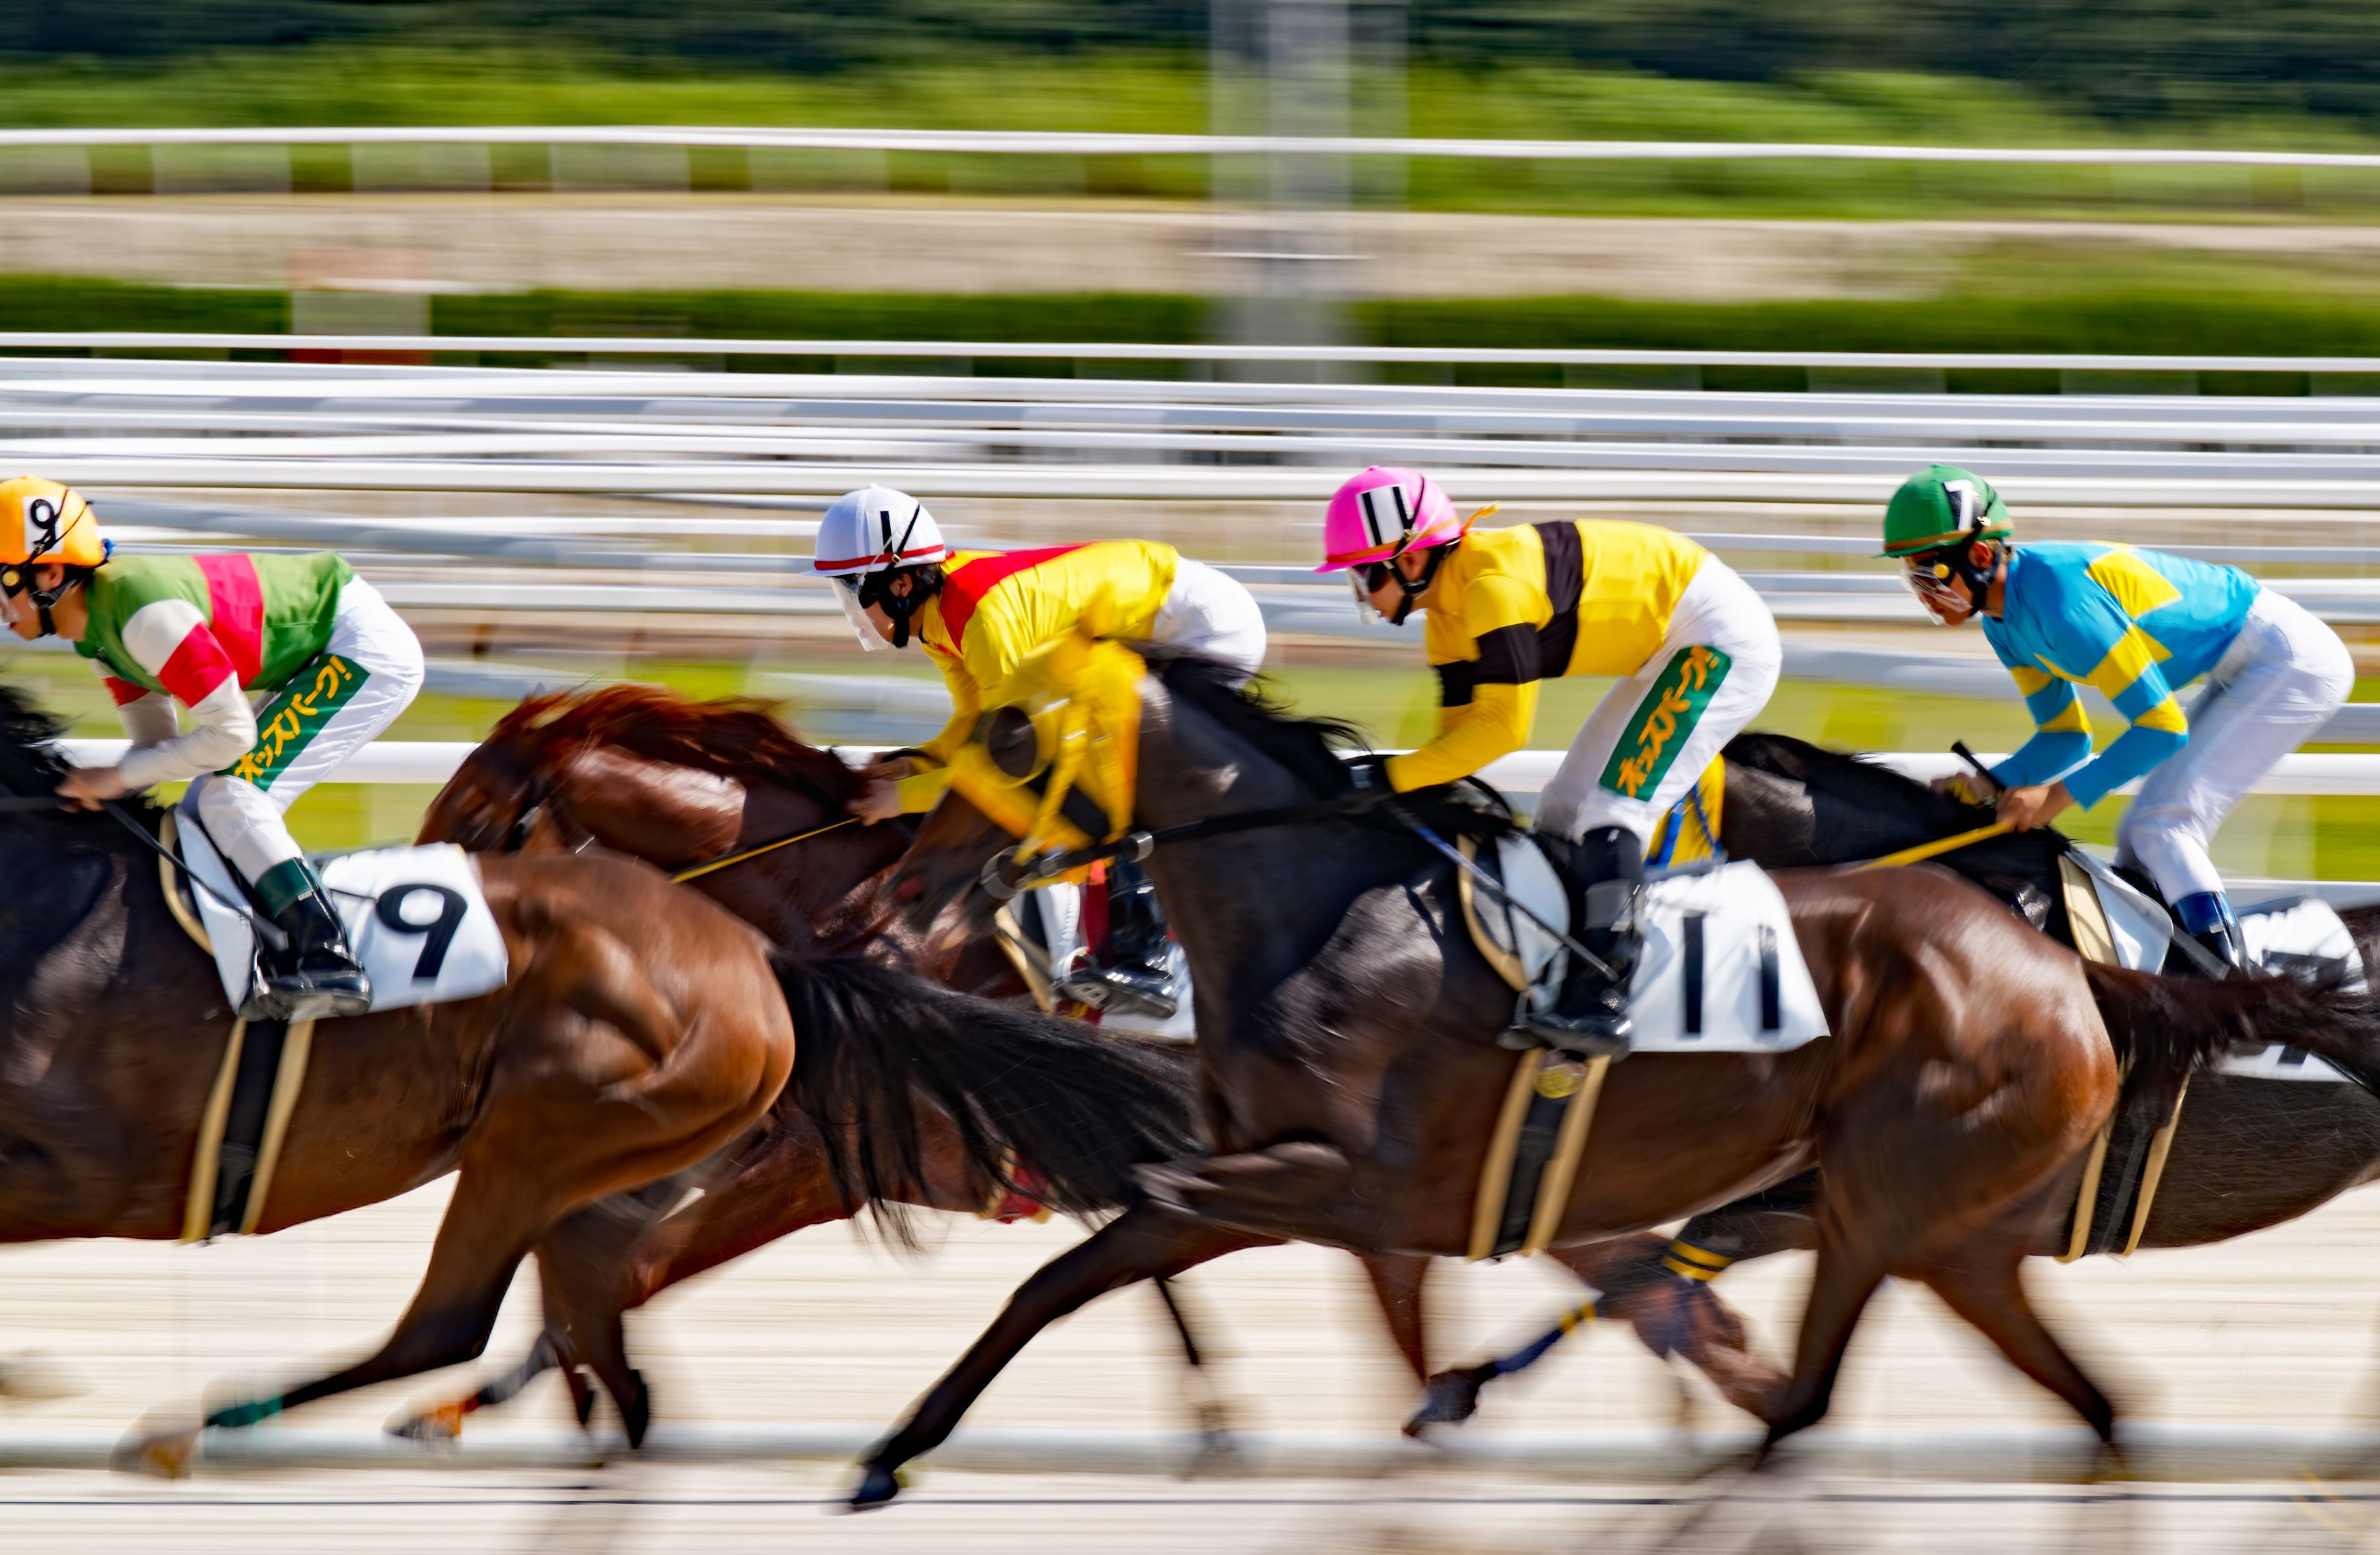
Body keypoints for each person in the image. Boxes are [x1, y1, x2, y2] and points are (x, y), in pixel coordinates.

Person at [1321, 465, 1782, 1059]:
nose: (1361, 592)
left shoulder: (1491, 588)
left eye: (1365, 573)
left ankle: (1604, 995)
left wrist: (1382, 777)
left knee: (1615, 808)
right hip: (1671, 643)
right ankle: (1565, 962)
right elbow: (1452, 749)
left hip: (1720, 636)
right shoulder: (1446, 622)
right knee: (1562, 807)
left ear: (1410, 560)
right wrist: (1390, 783)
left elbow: (1503, 731)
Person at [0, 476, 427, 1019]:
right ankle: (273, 947)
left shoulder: (143, 616)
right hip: (324, 648)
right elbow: (156, 746)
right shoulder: (95, 633)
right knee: (202, 805)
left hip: (361, 647)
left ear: (49, 574)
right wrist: (102, 785)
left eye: (2, 578)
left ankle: (329, 956)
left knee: (233, 796)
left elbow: (230, 737)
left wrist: (114, 778)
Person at [814, 485, 1267, 1019]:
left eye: (852, 590)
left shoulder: (981, 617)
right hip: (1163, 623)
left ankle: (1146, 958)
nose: (850, 609)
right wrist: (916, 763)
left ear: (901, 582)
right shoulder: (938, 619)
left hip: (1204, 626)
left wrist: (901, 798)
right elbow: (973, 728)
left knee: (1104, 773)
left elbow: (1006, 762)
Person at [1885, 463, 2351, 972]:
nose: (1923, 592)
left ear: (1979, 556)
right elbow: (2065, 737)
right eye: (1912, 576)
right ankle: (2179, 977)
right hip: (2246, 660)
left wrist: (2056, 796)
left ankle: (2236, 994)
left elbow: (2162, 727)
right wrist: (1988, 784)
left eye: (1929, 573)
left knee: (2163, 826)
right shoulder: (2001, 622)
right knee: (2139, 843)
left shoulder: (2061, 601)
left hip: (2290, 659)